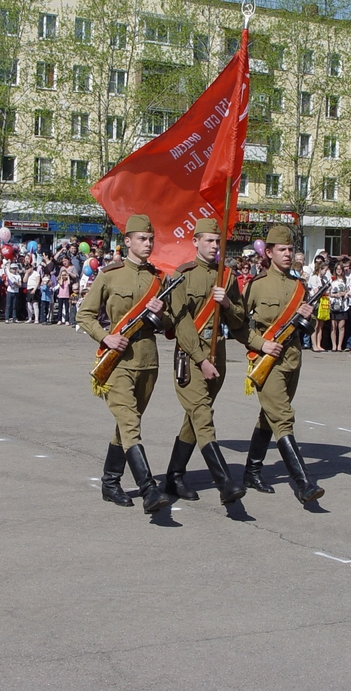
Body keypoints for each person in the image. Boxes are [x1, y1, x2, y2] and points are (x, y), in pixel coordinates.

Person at [76, 214, 172, 515]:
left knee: (127, 424)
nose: (148, 244)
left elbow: (169, 324)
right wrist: (105, 338)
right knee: (131, 425)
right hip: (117, 362)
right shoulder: (110, 275)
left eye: (151, 239)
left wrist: (161, 312)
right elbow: (85, 315)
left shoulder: (159, 279)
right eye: (142, 239)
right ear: (127, 241)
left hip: (148, 361)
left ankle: (110, 481)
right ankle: (148, 489)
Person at [235, 225, 324, 504]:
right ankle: (304, 483)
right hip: (266, 361)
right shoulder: (257, 284)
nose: (288, 254)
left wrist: (306, 317)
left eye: (290, 249)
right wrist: (261, 344)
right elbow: (236, 324)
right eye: (282, 250)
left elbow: (305, 329)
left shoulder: (300, 287)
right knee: (283, 417)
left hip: (292, 359)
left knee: (269, 415)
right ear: (269, 252)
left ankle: (252, 470)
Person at [165, 217, 248, 505]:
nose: (214, 246)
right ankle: (224, 482)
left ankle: (174, 477)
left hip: (218, 355)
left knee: (195, 417)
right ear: (195, 242)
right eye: (209, 240)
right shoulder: (181, 275)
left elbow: (239, 319)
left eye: (218, 241)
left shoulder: (227, 277)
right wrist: (201, 360)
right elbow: (182, 324)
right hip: (191, 357)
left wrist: (226, 303)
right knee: (203, 416)